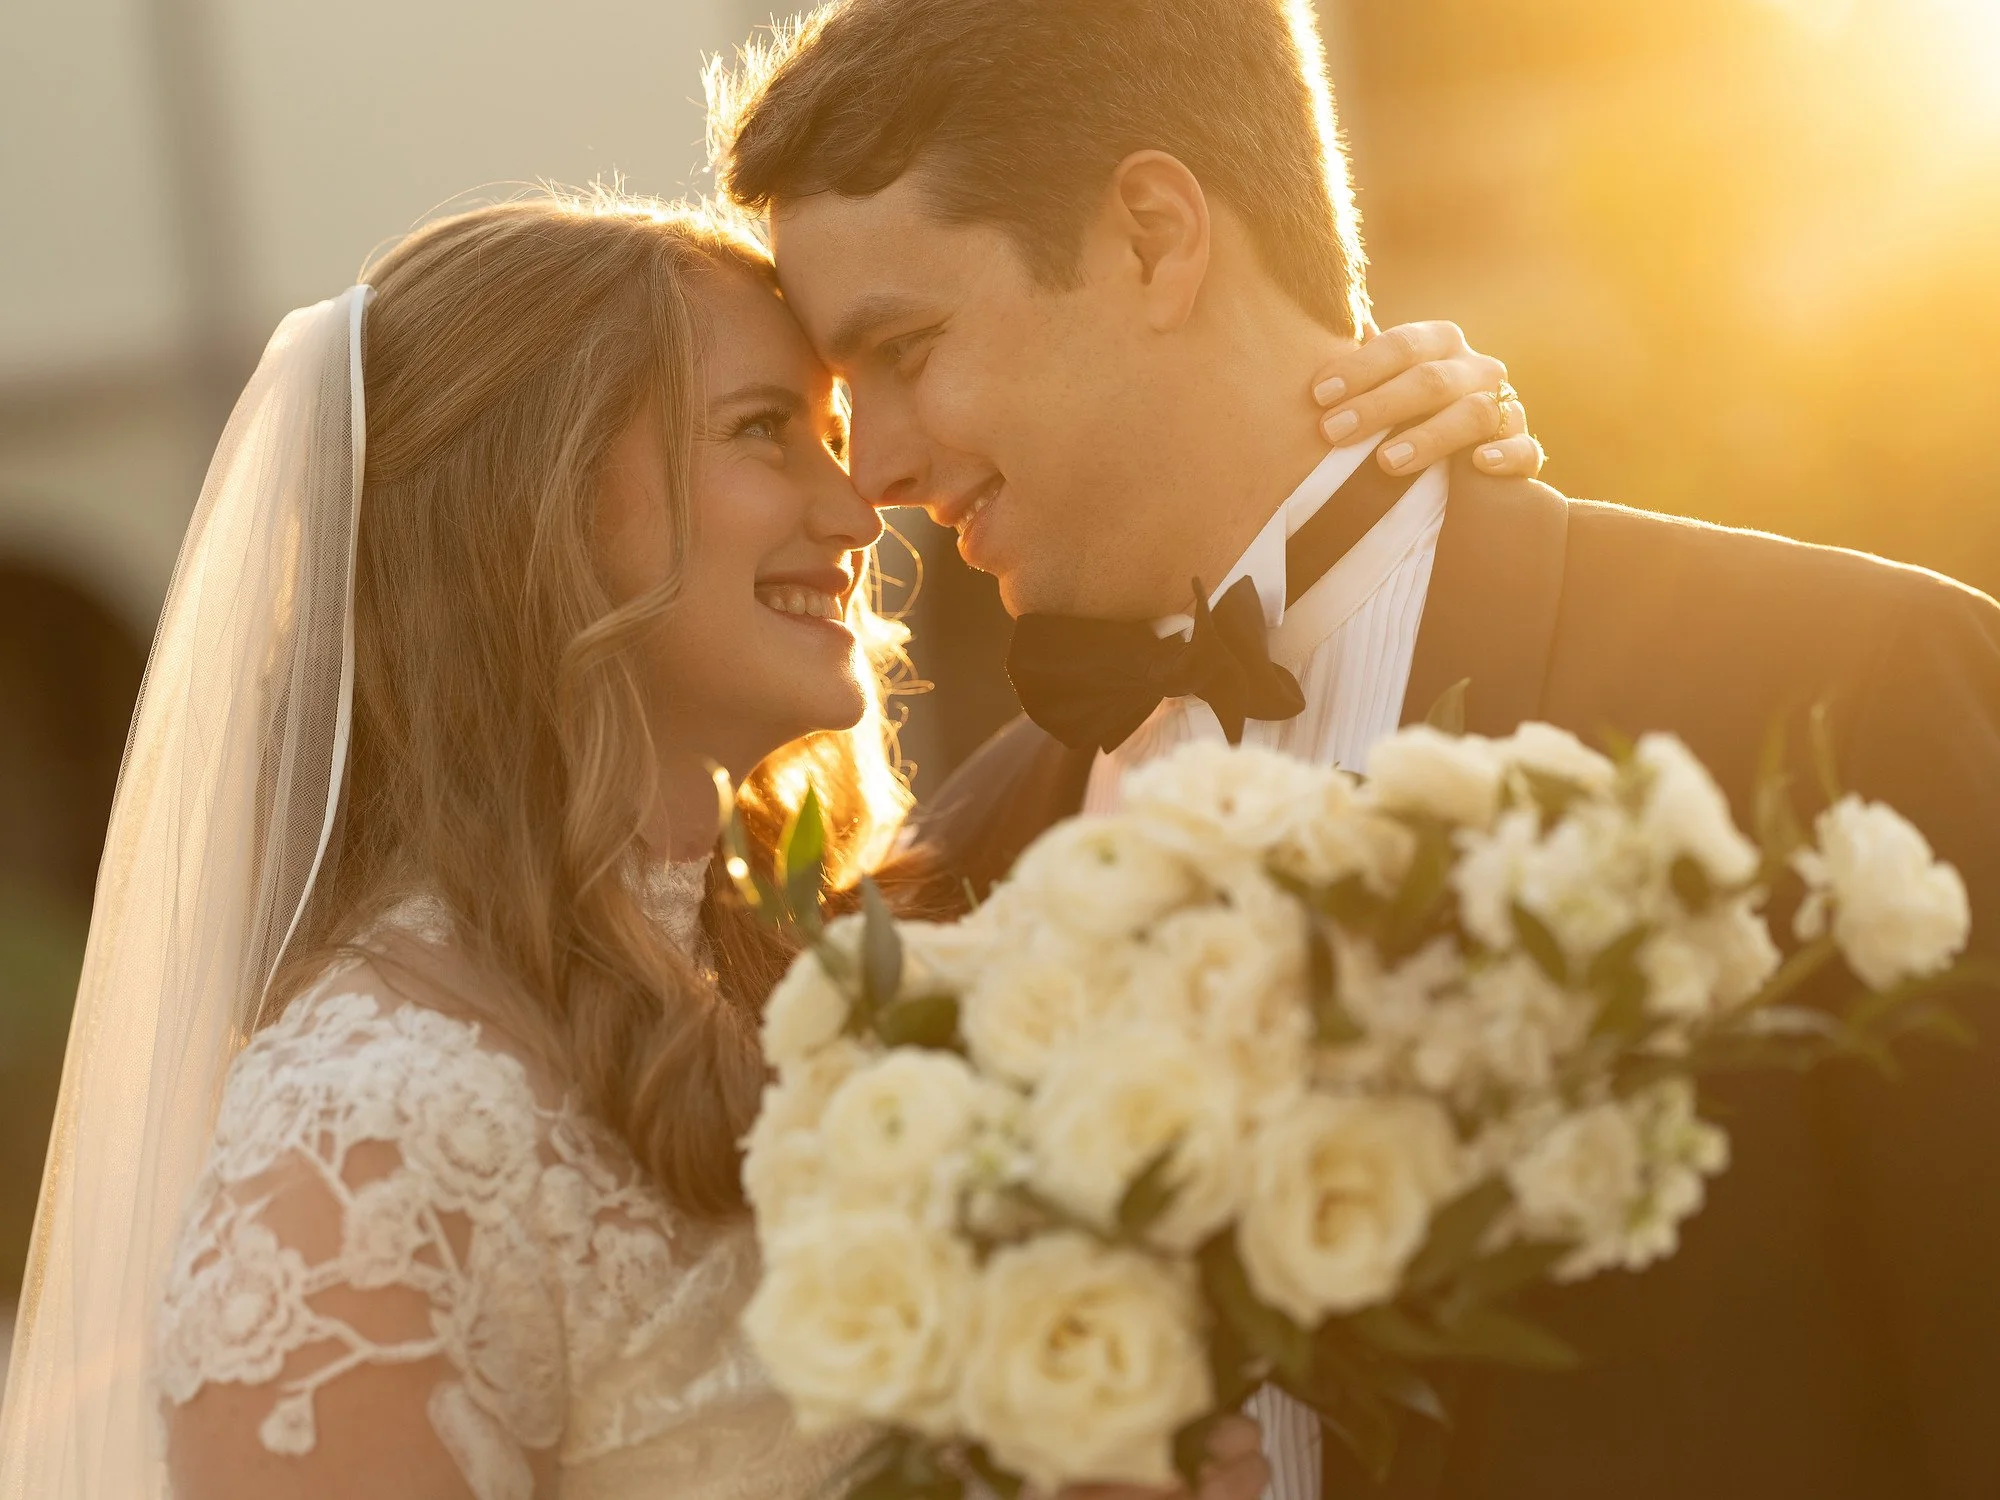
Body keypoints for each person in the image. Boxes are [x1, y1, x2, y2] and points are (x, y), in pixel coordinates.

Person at [0, 184, 1536, 1500]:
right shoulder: (358, 1145)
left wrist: (1402, 487)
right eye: (763, 434)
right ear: (526, 513)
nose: (861, 504)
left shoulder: (868, 958)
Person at [711, 2, 2000, 1498]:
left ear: (1151, 236)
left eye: (907, 349)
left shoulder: (1839, 687)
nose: (876, 472)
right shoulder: (973, 870)